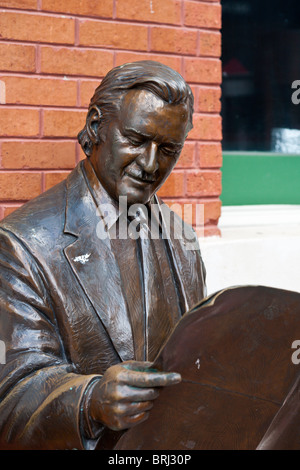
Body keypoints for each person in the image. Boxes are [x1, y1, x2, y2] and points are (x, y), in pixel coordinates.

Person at [0, 61, 206, 450]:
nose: (150, 165)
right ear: (96, 127)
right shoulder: (24, 245)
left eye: (168, 149)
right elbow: (10, 399)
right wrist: (90, 401)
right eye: (135, 140)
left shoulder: (182, 239)